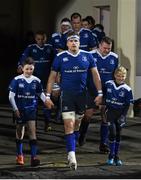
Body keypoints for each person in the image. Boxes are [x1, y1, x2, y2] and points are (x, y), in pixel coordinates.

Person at [45, 32, 103, 170]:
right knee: (68, 124)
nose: (73, 43)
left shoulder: (87, 56)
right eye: (70, 41)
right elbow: (52, 77)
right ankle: (72, 156)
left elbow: (96, 75)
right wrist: (47, 96)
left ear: (79, 42)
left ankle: (73, 147)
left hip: (82, 96)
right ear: (67, 43)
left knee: (77, 124)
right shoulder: (60, 57)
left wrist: (100, 93)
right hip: (67, 96)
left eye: (75, 41)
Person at [79, 37, 119, 154]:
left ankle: (103, 143)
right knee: (88, 115)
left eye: (109, 48)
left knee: (105, 115)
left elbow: (116, 74)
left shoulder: (114, 57)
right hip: (91, 90)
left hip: (107, 90)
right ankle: (83, 133)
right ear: (99, 46)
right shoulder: (90, 55)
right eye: (105, 48)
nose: (107, 50)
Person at [8, 57, 49, 166]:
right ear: (22, 69)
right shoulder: (16, 80)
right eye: (27, 69)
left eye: (31, 69)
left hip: (31, 109)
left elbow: (40, 94)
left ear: (33, 68)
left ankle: (33, 157)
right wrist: (15, 109)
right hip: (20, 110)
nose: (29, 71)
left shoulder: (37, 80)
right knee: (20, 132)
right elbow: (11, 97)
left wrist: (47, 101)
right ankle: (20, 155)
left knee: (32, 132)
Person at [17, 30, 54, 132]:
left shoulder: (50, 48)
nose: (40, 41)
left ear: (45, 38)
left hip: (47, 80)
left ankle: (47, 123)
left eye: (42, 39)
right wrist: (20, 66)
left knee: (46, 102)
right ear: (35, 39)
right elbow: (23, 58)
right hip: (34, 81)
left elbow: (56, 60)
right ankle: (34, 125)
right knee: (34, 104)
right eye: (38, 39)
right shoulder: (30, 48)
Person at [105, 66, 133, 165]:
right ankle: (111, 155)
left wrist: (123, 116)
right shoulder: (108, 84)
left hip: (120, 114)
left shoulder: (127, 89)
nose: (120, 78)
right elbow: (103, 95)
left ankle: (116, 156)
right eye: (118, 75)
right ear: (114, 75)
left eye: (123, 76)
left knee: (118, 135)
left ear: (125, 76)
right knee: (112, 133)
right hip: (110, 112)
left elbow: (127, 104)